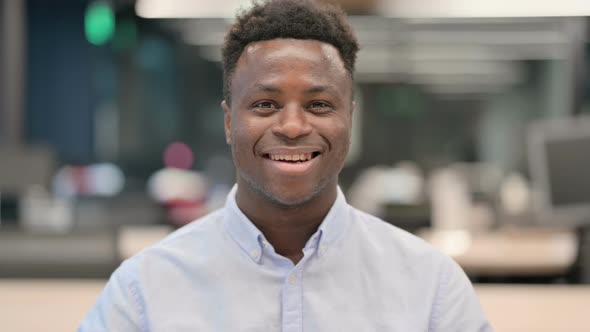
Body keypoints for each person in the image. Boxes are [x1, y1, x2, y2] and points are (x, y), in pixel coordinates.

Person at [79, 0, 491, 331]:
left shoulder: (431, 287)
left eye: (318, 105)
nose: (292, 126)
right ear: (228, 121)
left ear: (349, 118)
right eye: (264, 104)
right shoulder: (143, 292)